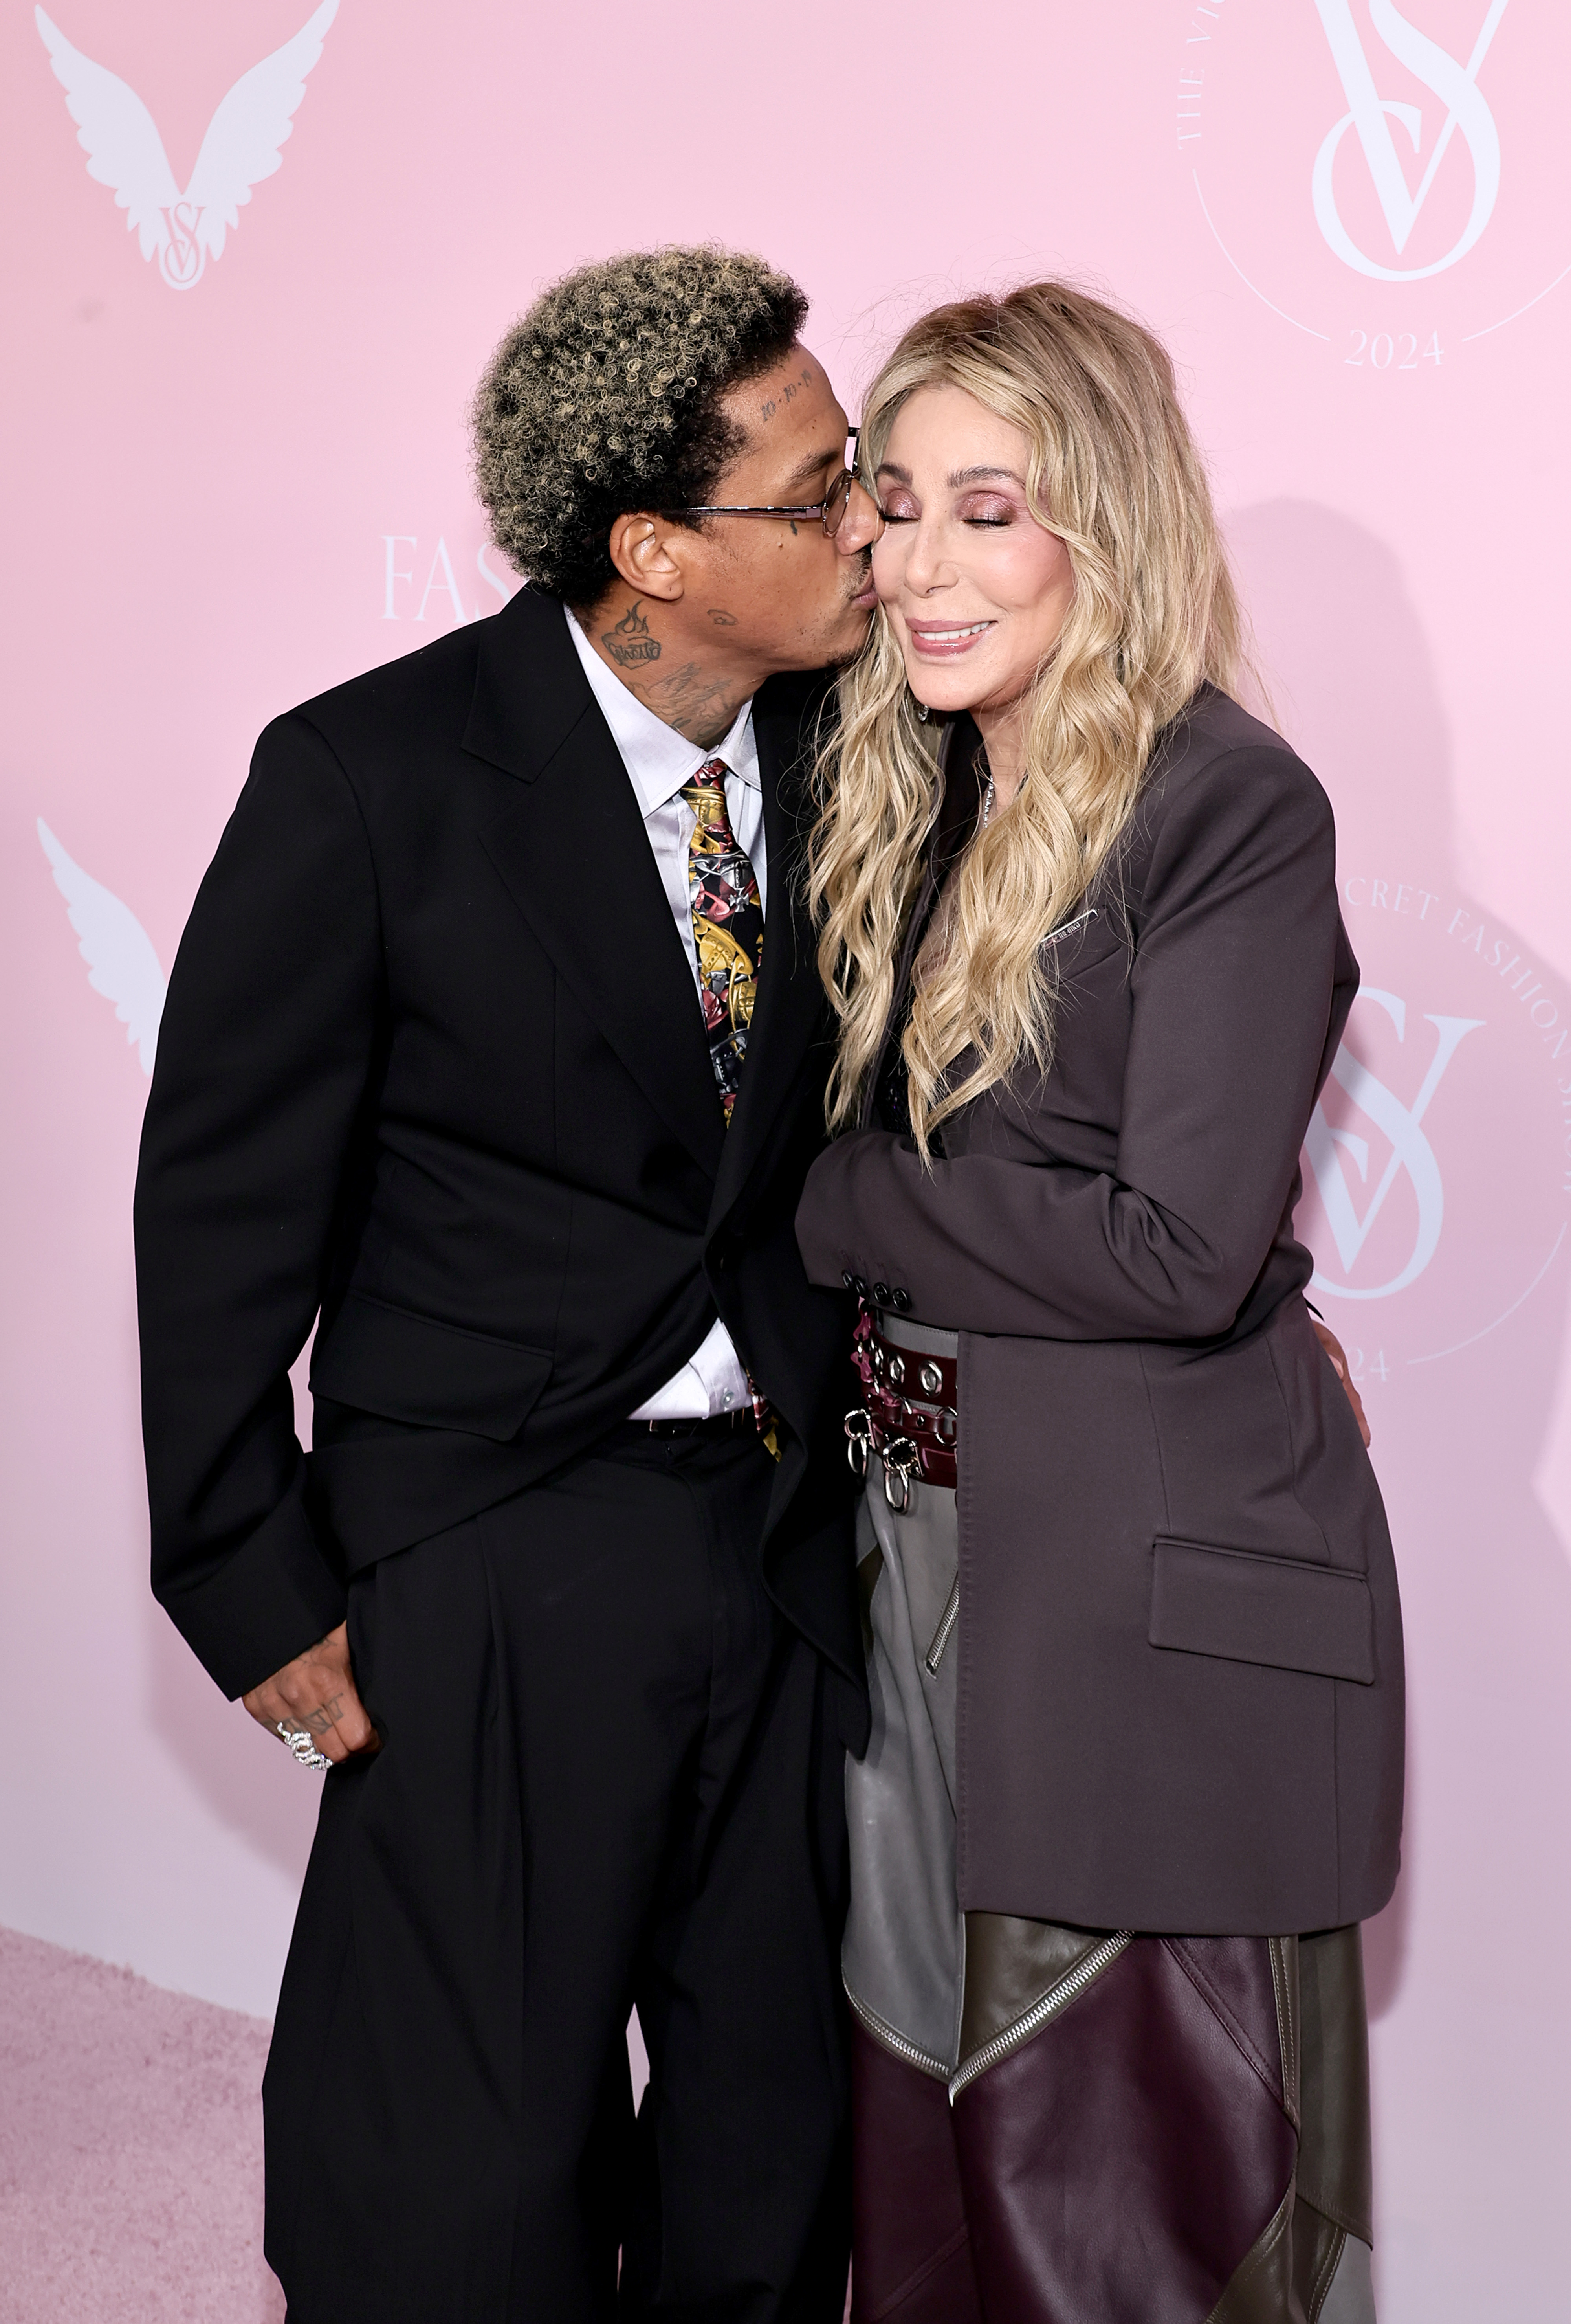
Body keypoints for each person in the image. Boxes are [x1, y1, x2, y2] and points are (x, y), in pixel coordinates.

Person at [133, 245, 888, 2323]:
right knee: (460, 2168)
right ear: (654, 549)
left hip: (790, 1538)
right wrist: (247, 1575)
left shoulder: (875, 758)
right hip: (485, 1547)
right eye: (821, 490)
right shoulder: (369, 780)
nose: (870, 524)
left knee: (775, 2134)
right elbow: (217, 1206)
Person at [795, 282, 1402, 2324]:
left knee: (1116, 2221)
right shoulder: (899, 793)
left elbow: (1179, 1252)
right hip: (898, 1566)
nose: (925, 565)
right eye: (897, 507)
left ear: (1108, 525)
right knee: (916, 2190)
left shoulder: (1229, 809)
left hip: (1131, 1608)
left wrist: (847, 1204)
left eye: (994, 508)